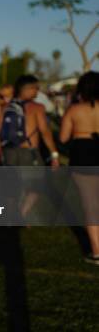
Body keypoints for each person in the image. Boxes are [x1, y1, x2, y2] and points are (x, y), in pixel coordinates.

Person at [0, 74, 60, 217]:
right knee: (37, 186)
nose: (37, 92)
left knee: (12, 186)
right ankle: (22, 213)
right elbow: (45, 132)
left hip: (9, 151)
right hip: (29, 152)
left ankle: (11, 216)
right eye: (35, 88)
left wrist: (0, 151)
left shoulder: (6, 107)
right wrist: (54, 154)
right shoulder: (37, 107)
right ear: (26, 89)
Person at [59, 71, 99, 265]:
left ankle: (97, 251)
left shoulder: (74, 109)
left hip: (82, 154)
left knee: (89, 204)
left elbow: (63, 138)